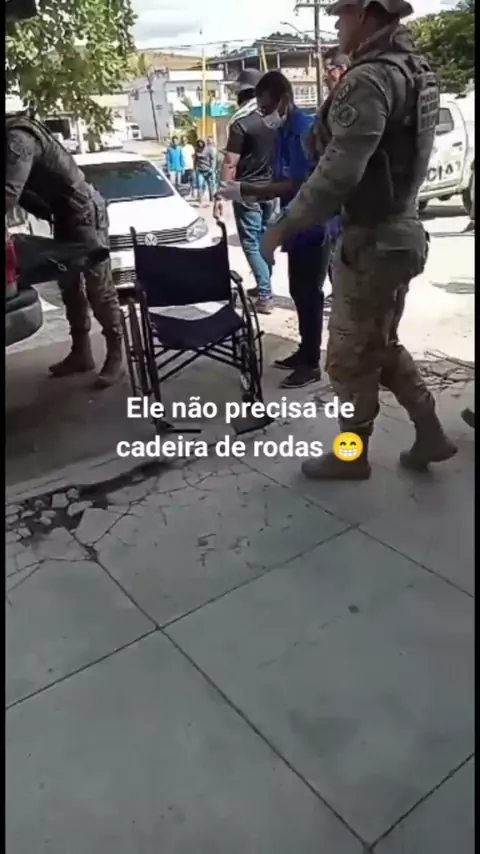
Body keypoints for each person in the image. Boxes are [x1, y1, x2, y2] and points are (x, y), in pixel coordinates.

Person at [259, 0, 457, 480]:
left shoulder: (370, 79)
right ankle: (429, 431)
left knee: (347, 359)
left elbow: (338, 172)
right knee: (380, 345)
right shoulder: (416, 71)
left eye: (342, 14)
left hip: (372, 242)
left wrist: (283, 226)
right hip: (400, 234)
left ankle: (352, 456)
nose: (336, 23)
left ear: (367, 13)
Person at [219, 71, 340, 387]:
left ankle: (311, 363)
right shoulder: (283, 131)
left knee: (309, 293)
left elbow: (296, 183)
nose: (263, 114)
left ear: (284, 100)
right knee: (299, 290)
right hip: (294, 219)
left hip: (314, 223)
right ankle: (305, 350)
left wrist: (247, 190)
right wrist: (252, 193)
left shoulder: (302, 130)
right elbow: (280, 181)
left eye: (266, 107)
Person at [6, 113, 123, 387]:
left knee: (99, 289)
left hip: (85, 215)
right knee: (69, 286)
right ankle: (81, 352)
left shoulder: (17, 138)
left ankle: (116, 354)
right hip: (64, 215)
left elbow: (9, 194)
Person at [220, 69, 277, 311]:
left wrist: (221, 194)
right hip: (272, 190)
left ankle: (265, 294)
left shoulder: (240, 123)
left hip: (247, 191)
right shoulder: (275, 120)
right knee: (264, 242)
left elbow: (230, 162)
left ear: (242, 94)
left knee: (251, 243)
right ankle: (264, 285)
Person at [194, 139, 215, 205]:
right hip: (200, 170)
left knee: (210, 185)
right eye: (199, 143)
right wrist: (195, 167)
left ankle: (211, 199)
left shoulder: (209, 149)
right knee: (200, 185)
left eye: (201, 143)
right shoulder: (196, 149)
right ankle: (200, 201)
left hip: (208, 170)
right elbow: (195, 159)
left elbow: (212, 159)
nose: (200, 144)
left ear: (203, 143)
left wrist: (212, 168)